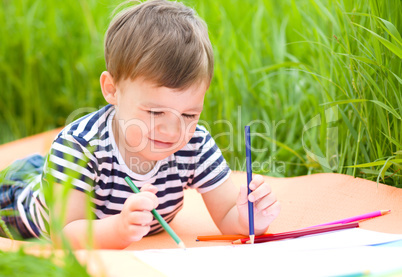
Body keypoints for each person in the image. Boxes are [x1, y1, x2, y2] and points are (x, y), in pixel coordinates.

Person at [0, 0, 280, 249]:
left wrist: (249, 217)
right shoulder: (79, 146)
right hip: (17, 203)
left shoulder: (195, 144)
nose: (173, 131)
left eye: (189, 115)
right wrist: (118, 230)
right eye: (156, 112)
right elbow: (64, 233)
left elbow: (228, 212)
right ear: (112, 89)